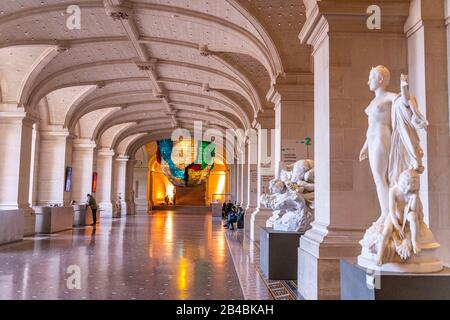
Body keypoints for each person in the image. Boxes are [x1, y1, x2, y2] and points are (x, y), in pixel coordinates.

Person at [359, 66, 398, 223]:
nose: (368, 81)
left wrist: (405, 88)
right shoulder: (373, 101)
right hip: (372, 138)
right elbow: (371, 126)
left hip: (382, 137)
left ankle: (387, 213)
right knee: (379, 177)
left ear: (380, 80)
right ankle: (386, 211)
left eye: (371, 78)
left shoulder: (388, 97)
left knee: (380, 176)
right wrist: (365, 146)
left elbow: (402, 100)